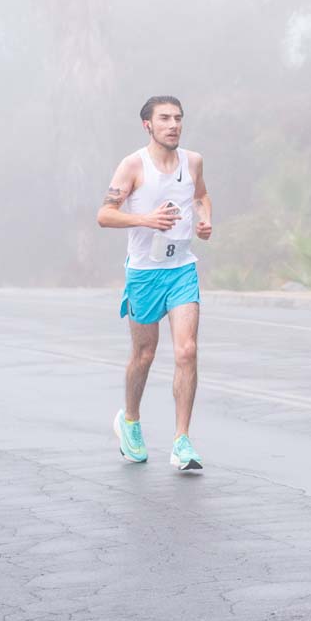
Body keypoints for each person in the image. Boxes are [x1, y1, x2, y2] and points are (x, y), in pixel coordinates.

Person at [97, 95, 213, 471]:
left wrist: (205, 218)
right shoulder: (133, 165)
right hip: (145, 273)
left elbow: (201, 194)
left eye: (178, 118)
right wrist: (145, 220)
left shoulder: (192, 161)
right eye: (164, 118)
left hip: (181, 268)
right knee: (144, 355)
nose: (173, 125)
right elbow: (104, 215)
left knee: (187, 351)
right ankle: (129, 420)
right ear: (148, 125)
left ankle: (182, 441)